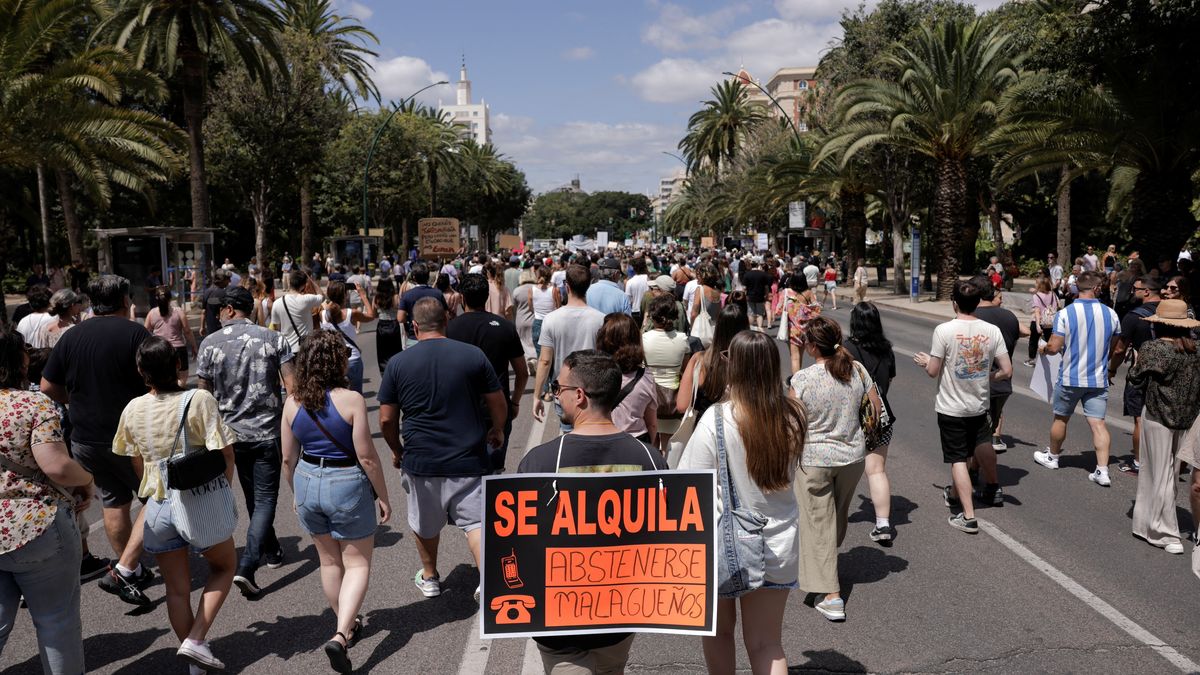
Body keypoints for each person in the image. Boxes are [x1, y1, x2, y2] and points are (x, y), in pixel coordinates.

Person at [518, 350, 667, 673]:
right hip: (621, 619)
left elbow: (522, 543)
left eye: (558, 388)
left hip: (558, 624)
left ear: (580, 395)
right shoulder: (651, 460)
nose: (556, 395)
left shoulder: (538, 462)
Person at [678, 331, 804, 674]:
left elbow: (690, 483)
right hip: (779, 541)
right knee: (768, 643)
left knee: (719, 632)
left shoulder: (717, 419)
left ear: (732, 365)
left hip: (724, 542)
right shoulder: (793, 417)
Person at [112, 337, 238, 673]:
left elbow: (136, 461)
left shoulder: (133, 408)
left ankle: (195, 664)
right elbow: (225, 453)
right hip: (199, 500)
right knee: (225, 567)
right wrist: (223, 489)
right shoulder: (198, 399)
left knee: (177, 590)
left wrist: (153, 492)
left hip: (159, 505)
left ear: (142, 372)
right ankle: (196, 639)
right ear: (178, 366)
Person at [378, 298, 505, 602]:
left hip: (422, 460)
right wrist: (497, 428)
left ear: (414, 326)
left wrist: (397, 449)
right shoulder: (472, 355)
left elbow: (386, 419)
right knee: (476, 523)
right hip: (469, 457)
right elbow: (496, 400)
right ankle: (487, 580)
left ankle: (431, 577)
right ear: (447, 321)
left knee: (424, 524)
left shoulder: (398, 363)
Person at [279, 331, 390, 674]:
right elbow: (367, 457)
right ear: (337, 361)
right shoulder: (352, 399)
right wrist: (383, 497)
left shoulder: (293, 400)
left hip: (308, 480)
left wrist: (296, 494)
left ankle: (349, 624)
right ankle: (341, 634)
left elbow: (287, 458)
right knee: (356, 564)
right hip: (346, 483)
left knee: (329, 563)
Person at [41, 275, 154, 605]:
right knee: (156, 499)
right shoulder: (135, 333)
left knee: (114, 501)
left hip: (86, 437)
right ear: (123, 300)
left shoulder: (72, 337)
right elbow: (153, 383)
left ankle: (130, 569)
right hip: (131, 437)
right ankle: (126, 567)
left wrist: (74, 401)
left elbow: (48, 387)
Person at [0, 329, 94, 675]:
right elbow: (56, 466)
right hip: (35, 524)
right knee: (57, 620)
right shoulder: (33, 403)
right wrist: (87, 480)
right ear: (20, 362)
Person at [196, 286, 294, 597]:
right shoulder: (273, 339)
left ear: (227, 310)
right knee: (264, 498)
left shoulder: (209, 344)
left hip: (227, 437)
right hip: (266, 432)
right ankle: (249, 564)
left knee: (254, 494)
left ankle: (270, 550)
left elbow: (203, 396)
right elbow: (291, 387)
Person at [790, 317, 878, 620]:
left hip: (814, 460)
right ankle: (826, 564)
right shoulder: (856, 370)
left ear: (812, 346)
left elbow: (794, 427)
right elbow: (875, 409)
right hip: (852, 458)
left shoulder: (802, 379)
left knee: (817, 524)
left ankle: (832, 594)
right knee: (836, 518)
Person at [914, 280, 1011, 534]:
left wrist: (925, 362)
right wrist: (988, 377)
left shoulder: (944, 331)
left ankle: (968, 516)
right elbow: (1007, 370)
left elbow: (934, 372)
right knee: (970, 452)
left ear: (954, 303)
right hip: (978, 405)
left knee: (958, 458)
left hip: (951, 407)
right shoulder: (992, 331)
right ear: (978, 303)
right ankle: (956, 494)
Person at [1125, 301, 1200, 555]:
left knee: (1157, 472)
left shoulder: (1154, 348)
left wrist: (1136, 361)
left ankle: (1165, 532)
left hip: (1158, 415)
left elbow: (1135, 380)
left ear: (1158, 323)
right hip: (1187, 417)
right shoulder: (1196, 349)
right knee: (1169, 472)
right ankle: (1149, 524)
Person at [1033, 271, 1120, 487]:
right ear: (1097, 288)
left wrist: (1043, 349)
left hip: (1071, 377)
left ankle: (1052, 457)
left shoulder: (1065, 314)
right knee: (1098, 424)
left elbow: (1054, 347)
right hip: (1097, 380)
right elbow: (1115, 345)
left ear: (1077, 288)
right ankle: (1102, 470)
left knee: (1061, 418)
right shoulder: (1111, 314)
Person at [447, 274, 528, 471]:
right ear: (485, 297)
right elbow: (522, 372)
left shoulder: (449, 329)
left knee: (465, 471)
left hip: (460, 412)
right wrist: (515, 402)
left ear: (462, 298)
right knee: (495, 472)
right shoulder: (505, 327)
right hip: (498, 411)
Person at [845, 303, 898, 544]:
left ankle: (836, 515)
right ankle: (883, 524)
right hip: (880, 418)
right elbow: (889, 381)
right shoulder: (887, 350)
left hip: (850, 419)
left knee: (843, 470)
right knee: (876, 470)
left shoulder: (847, 350)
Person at [533, 265, 606, 432]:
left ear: (567, 286)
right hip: (591, 390)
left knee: (567, 434)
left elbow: (545, 361)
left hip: (564, 390)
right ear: (588, 285)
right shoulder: (600, 319)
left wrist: (537, 396)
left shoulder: (551, 319)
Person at [1109, 276, 1162, 474]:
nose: (1132, 291)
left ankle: (1139, 462)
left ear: (1146, 291)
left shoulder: (1134, 316)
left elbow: (1119, 350)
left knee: (1140, 418)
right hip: (1168, 372)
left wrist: (1111, 370)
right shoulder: (1171, 312)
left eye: (1135, 288)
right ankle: (1161, 459)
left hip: (1142, 372)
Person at [972, 277, 1026, 455]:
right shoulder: (1009, 316)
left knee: (975, 439)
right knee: (986, 434)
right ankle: (986, 475)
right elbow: (1026, 331)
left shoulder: (970, 317)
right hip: (1002, 383)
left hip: (976, 383)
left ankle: (979, 475)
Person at [676, 303, 751, 421]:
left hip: (705, 428)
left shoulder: (699, 360)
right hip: (743, 427)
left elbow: (682, 406)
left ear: (718, 328)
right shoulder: (752, 361)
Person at [595, 313, 658, 443]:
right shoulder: (646, 378)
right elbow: (652, 423)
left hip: (602, 440)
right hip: (636, 441)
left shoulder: (593, 375)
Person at [643, 294, 691, 452]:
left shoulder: (644, 339)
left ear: (653, 317)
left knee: (651, 443)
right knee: (668, 447)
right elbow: (685, 370)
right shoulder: (683, 340)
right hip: (673, 401)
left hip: (649, 398)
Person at [320, 280, 375, 394]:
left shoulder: (322, 315)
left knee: (335, 397)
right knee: (356, 395)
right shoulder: (352, 313)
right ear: (345, 295)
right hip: (352, 359)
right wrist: (363, 295)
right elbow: (371, 315)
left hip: (332, 360)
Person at [145, 286, 198, 388]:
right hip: (178, 349)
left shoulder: (152, 313)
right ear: (170, 298)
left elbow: (145, 331)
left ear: (156, 298)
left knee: (161, 379)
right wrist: (194, 346)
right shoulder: (178, 311)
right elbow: (187, 331)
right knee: (181, 380)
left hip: (159, 349)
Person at [271, 270, 324, 352]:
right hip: (305, 349)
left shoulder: (276, 303)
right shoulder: (306, 300)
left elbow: (276, 329)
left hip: (286, 350)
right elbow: (322, 296)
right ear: (303, 286)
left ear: (289, 283)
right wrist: (310, 279)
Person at [782, 274, 820, 374]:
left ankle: (795, 381)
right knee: (800, 356)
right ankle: (799, 377)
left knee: (795, 357)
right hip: (806, 329)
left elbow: (778, 309)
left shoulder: (788, 292)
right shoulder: (808, 292)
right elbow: (817, 309)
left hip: (792, 330)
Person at [396, 263, 447, 339]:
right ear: (428, 277)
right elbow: (446, 314)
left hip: (415, 335)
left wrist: (411, 318)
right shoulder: (438, 293)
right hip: (436, 334)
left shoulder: (407, 295)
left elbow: (400, 318)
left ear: (414, 277)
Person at [1025, 276, 1059, 367]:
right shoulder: (1053, 294)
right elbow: (1057, 306)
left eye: (1036, 283)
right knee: (1049, 340)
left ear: (1040, 285)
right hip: (1050, 322)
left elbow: (1037, 311)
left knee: (1033, 340)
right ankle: (1050, 359)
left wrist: (1038, 325)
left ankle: (1031, 360)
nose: (1035, 284)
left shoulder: (1036, 296)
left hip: (1038, 321)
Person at [689, 263, 723, 348]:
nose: (696, 277)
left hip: (701, 333)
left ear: (704, 277)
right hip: (713, 332)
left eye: (698, 275)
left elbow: (694, 313)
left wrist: (692, 327)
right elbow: (717, 314)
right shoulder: (717, 293)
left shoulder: (700, 289)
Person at [373, 278, 403, 375]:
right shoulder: (396, 297)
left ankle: (385, 373)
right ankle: (397, 371)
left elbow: (374, 315)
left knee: (383, 352)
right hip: (394, 324)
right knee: (396, 350)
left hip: (382, 325)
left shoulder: (376, 298)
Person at [530, 265, 560, 352]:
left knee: (539, 352)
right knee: (553, 352)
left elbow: (531, 308)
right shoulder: (554, 290)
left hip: (537, 322)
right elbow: (558, 308)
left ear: (537, 275)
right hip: (552, 323)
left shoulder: (531, 290)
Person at [511, 267, 538, 364]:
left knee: (523, 341)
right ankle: (534, 358)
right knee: (534, 340)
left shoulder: (517, 290)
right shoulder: (537, 289)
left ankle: (528, 360)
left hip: (521, 319)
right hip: (535, 318)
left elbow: (513, 306)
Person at [200, 269, 231, 337]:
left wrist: (202, 327)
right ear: (222, 280)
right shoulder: (225, 293)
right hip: (224, 329)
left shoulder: (206, 292)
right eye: (228, 279)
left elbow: (203, 311)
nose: (229, 281)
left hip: (211, 329)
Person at [742, 259, 770, 332]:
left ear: (751, 265)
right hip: (760, 296)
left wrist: (744, 296)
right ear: (758, 265)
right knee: (760, 313)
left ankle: (751, 328)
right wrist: (767, 295)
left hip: (750, 297)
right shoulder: (763, 274)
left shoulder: (747, 274)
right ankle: (760, 328)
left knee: (750, 313)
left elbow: (744, 288)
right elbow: (766, 287)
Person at [626, 257, 651, 324]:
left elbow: (628, 300)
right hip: (648, 310)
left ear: (634, 268)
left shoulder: (630, 282)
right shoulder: (649, 279)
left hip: (635, 311)